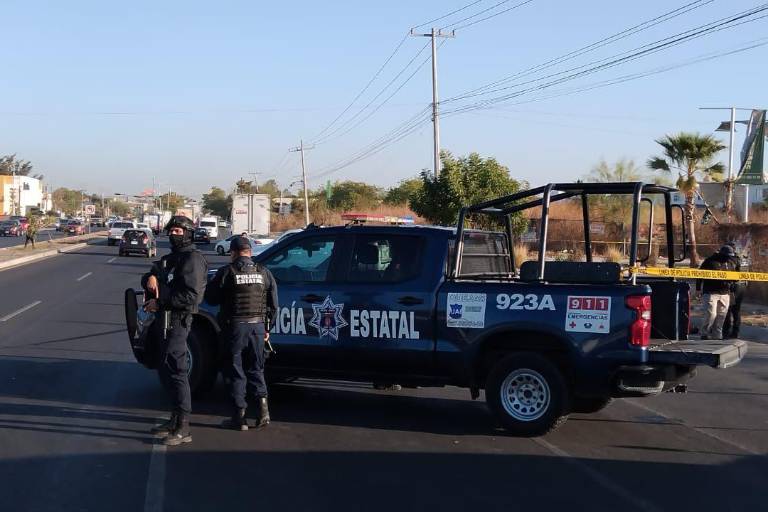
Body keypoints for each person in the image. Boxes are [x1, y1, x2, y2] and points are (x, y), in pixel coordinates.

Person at [141, 216, 208, 446]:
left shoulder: (192, 259)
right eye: (171, 231)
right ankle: (174, 419)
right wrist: (150, 276)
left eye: (178, 231)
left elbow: (191, 296)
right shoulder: (171, 259)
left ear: (188, 233)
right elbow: (154, 273)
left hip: (178, 320)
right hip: (164, 320)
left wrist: (160, 302)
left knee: (179, 371)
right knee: (168, 369)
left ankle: (183, 427)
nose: (173, 235)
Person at [204, 236, 278, 431]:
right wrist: (267, 329)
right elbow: (273, 305)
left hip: (234, 328)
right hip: (257, 327)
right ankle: (263, 413)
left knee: (235, 371)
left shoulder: (227, 272)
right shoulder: (263, 272)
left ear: (233, 253)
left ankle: (239, 417)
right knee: (256, 369)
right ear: (250, 252)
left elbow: (210, 299)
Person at [696, 245, 737, 340]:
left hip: (725, 293)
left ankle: (717, 336)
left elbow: (735, 276)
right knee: (711, 314)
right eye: (727, 256)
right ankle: (704, 333)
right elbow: (699, 275)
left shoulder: (730, 263)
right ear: (721, 254)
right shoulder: (710, 261)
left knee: (721, 316)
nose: (728, 258)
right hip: (711, 292)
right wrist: (698, 289)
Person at [723, 241, 745, 339]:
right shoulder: (742, 258)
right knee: (736, 311)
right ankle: (736, 332)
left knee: (728, 309)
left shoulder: (731, 259)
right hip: (742, 286)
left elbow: (733, 276)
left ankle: (726, 331)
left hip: (733, 287)